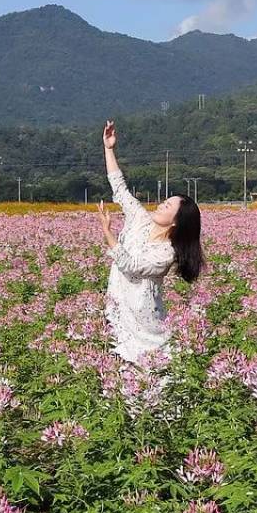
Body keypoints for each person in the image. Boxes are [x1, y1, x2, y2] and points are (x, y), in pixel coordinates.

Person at [97, 119, 205, 367]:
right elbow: (119, 188)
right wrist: (109, 148)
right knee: (117, 363)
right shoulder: (140, 219)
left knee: (155, 369)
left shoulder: (166, 253)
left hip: (145, 320)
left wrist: (107, 231)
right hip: (118, 304)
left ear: (176, 221)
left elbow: (131, 265)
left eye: (167, 206)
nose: (160, 205)